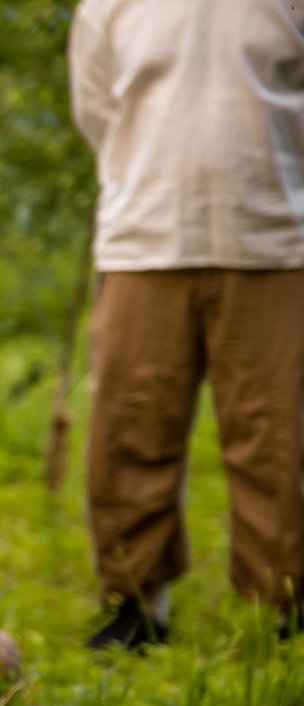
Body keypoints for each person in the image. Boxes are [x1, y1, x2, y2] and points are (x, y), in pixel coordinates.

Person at [70, 0, 304, 649]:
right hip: (145, 238)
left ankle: (285, 606)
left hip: (273, 240)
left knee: (275, 431)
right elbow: (96, 108)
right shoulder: (109, 7)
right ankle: (138, 603)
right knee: (131, 423)